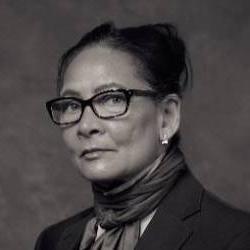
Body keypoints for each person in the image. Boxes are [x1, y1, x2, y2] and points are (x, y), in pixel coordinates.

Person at [35, 22, 250, 250]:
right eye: (71, 104)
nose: (86, 125)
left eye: (113, 99)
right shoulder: (53, 241)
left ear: (167, 117)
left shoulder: (236, 238)